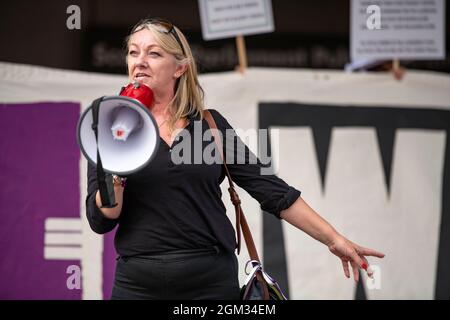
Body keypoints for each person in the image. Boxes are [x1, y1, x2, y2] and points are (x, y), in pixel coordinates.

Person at [86, 17, 385, 300]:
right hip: (138, 282)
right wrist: (117, 165)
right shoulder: (109, 125)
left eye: (153, 53)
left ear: (179, 68)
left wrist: (333, 239)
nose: (139, 61)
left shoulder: (210, 125)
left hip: (209, 281)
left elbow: (272, 191)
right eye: (133, 52)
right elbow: (102, 219)